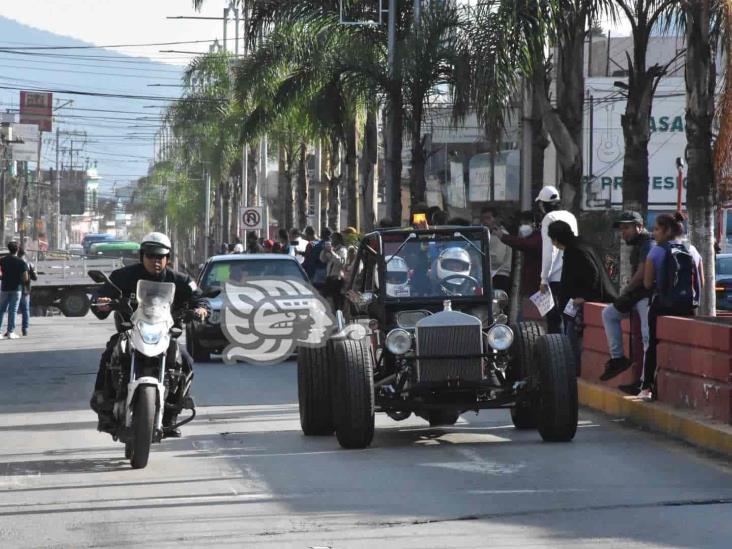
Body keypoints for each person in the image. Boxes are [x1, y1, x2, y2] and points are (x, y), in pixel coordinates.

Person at [90, 232, 207, 437]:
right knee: (110, 353)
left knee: (186, 361)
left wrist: (201, 309)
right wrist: (102, 302)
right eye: (151, 256)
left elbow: (199, 298)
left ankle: (172, 415)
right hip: (130, 332)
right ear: (142, 256)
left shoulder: (180, 280)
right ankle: (104, 405)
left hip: (163, 335)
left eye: (160, 257)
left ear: (167, 259)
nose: (156, 261)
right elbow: (102, 293)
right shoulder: (123, 277)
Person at [639, 212, 702, 401]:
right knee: (685, 346)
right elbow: (701, 282)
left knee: (653, 346)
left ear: (667, 231)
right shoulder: (693, 250)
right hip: (687, 307)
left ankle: (647, 386)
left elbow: (647, 284)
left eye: (657, 229)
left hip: (662, 306)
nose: (654, 233)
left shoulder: (656, 251)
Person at [548, 221, 618, 372]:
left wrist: (585, 296)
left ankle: (575, 374)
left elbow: (593, 273)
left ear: (556, 238)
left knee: (573, 342)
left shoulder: (576, 249)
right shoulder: (579, 245)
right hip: (575, 305)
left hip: (582, 305)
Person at [600, 211, 654, 387]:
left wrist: (626, 291)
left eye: (627, 228)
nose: (623, 232)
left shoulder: (648, 242)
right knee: (609, 314)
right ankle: (618, 359)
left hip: (648, 297)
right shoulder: (638, 245)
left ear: (639, 226)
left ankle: (644, 383)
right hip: (638, 296)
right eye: (621, 229)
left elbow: (642, 272)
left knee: (647, 340)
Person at [536, 185, 578, 333]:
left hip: (554, 278)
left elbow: (549, 251)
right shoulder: (570, 216)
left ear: (542, 204)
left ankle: (558, 352)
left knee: (554, 320)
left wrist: (543, 279)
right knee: (569, 317)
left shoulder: (548, 218)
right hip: (571, 274)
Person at [498, 211, 542, 298]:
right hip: (527, 284)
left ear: (534, 224)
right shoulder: (524, 239)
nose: (523, 226)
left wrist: (503, 237)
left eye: (526, 223)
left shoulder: (538, 238)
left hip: (535, 283)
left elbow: (526, 243)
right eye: (522, 223)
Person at [0, 241, 29, 339]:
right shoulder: (21, 262)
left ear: (9, 249)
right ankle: (10, 332)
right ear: (17, 249)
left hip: (4, 287)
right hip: (16, 289)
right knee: (13, 311)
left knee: (1, 310)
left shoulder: (2, 260)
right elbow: (25, 278)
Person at [481, 207, 512, 292]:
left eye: (488, 218)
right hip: (490, 274)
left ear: (496, 219)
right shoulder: (488, 234)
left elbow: (497, 259)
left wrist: (480, 259)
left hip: (499, 275)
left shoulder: (500, 235)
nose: (485, 222)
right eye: (483, 219)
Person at [320, 232, 349, 311]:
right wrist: (324, 251)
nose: (331, 240)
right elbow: (323, 259)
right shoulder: (333, 249)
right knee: (325, 297)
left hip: (337, 278)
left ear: (338, 239)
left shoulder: (342, 250)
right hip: (330, 277)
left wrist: (332, 252)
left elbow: (341, 262)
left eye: (333, 238)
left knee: (336, 300)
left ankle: (338, 315)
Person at [16, 247, 37, 336]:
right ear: (24, 254)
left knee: (12, 310)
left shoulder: (14, 262)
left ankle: (10, 329)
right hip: (25, 289)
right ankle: (25, 329)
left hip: (15, 288)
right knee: (25, 310)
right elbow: (34, 278)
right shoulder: (28, 264)